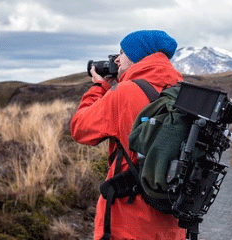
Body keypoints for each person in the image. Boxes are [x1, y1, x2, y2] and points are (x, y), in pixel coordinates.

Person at [70, 30, 186, 240]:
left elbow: (80, 129)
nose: (116, 59)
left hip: (129, 222)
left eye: (122, 52)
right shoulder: (182, 92)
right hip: (173, 221)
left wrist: (99, 86)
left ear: (138, 55)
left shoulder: (124, 92)